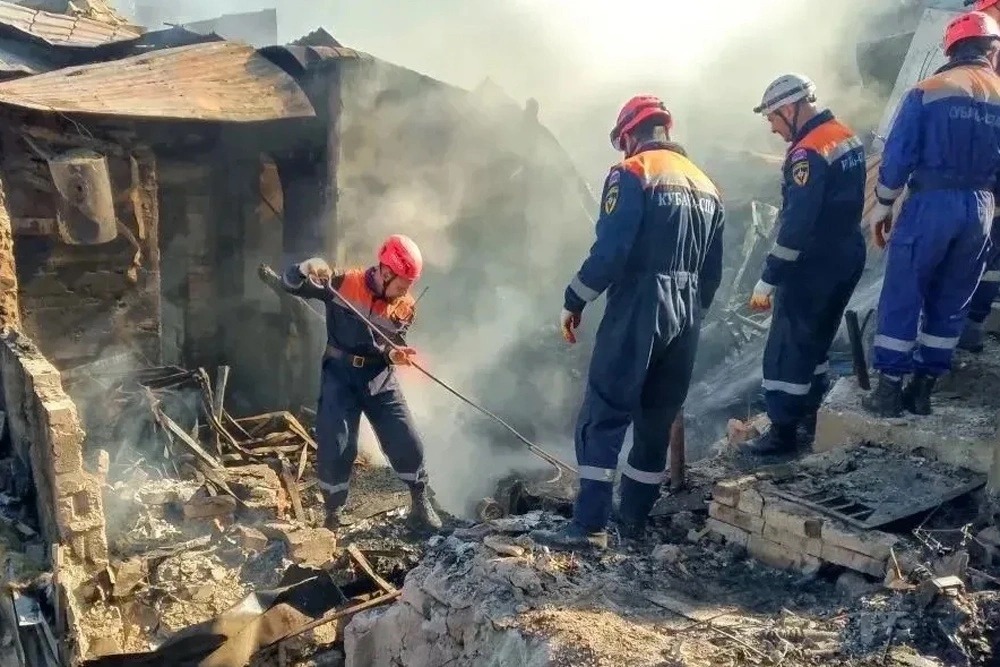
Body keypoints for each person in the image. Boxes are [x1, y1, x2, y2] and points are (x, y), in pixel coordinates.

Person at [531, 95, 726, 550]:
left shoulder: (633, 172)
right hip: (688, 311)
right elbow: (713, 272)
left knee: (603, 413)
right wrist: (691, 313)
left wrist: (574, 298)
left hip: (640, 303)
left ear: (629, 135)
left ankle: (590, 526)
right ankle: (633, 523)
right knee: (656, 420)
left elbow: (612, 250)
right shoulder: (708, 185)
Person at [863, 11, 1000, 417]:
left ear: (950, 48)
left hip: (931, 204)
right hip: (981, 209)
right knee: (953, 297)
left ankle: (889, 390)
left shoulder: (929, 90)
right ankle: (923, 389)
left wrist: (883, 205)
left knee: (905, 290)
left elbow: (899, 154)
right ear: (991, 50)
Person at [739, 74, 867, 456]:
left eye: (773, 119)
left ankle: (782, 433)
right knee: (815, 345)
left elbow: (797, 224)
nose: (774, 129)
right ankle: (810, 417)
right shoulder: (845, 135)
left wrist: (768, 278)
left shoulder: (806, 152)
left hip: (813, 265)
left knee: (787, 349)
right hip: (846, 256)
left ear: (790, 108)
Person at [280, 234, 443, 532]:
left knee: (406, 438)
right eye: (401, 283)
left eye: (409, 285)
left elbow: (389, 345)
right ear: (386, 271)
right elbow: (289, 284)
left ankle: (420, 502)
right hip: (340, 375)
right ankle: (333, 513)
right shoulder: (343, 283)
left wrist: (395, 353)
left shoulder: (405, 307)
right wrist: (305, 268)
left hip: (379, 377)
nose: (405, 291)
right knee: (337, 445)